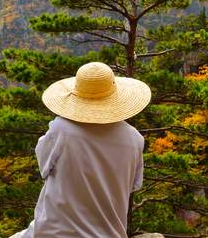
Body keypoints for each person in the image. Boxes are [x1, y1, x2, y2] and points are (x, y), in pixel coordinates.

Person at [11, 62, 150, 238]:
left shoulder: (61, 129)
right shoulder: (134, 139)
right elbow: (133, 185)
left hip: (55, 232)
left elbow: (43, 166)